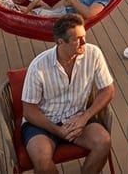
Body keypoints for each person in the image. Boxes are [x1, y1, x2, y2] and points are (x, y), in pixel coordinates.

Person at [21, 14, 114, 174]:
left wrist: (84, 118)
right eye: (77, 39)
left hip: (77, 117)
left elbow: (108, 89)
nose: (84, 42)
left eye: (84, 36)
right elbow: (29, 111)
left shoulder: (93, 54)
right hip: (44, 123)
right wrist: (58, 131)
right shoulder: (38, 66)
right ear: (60, 42)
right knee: (42, 162)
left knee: (103, 142)